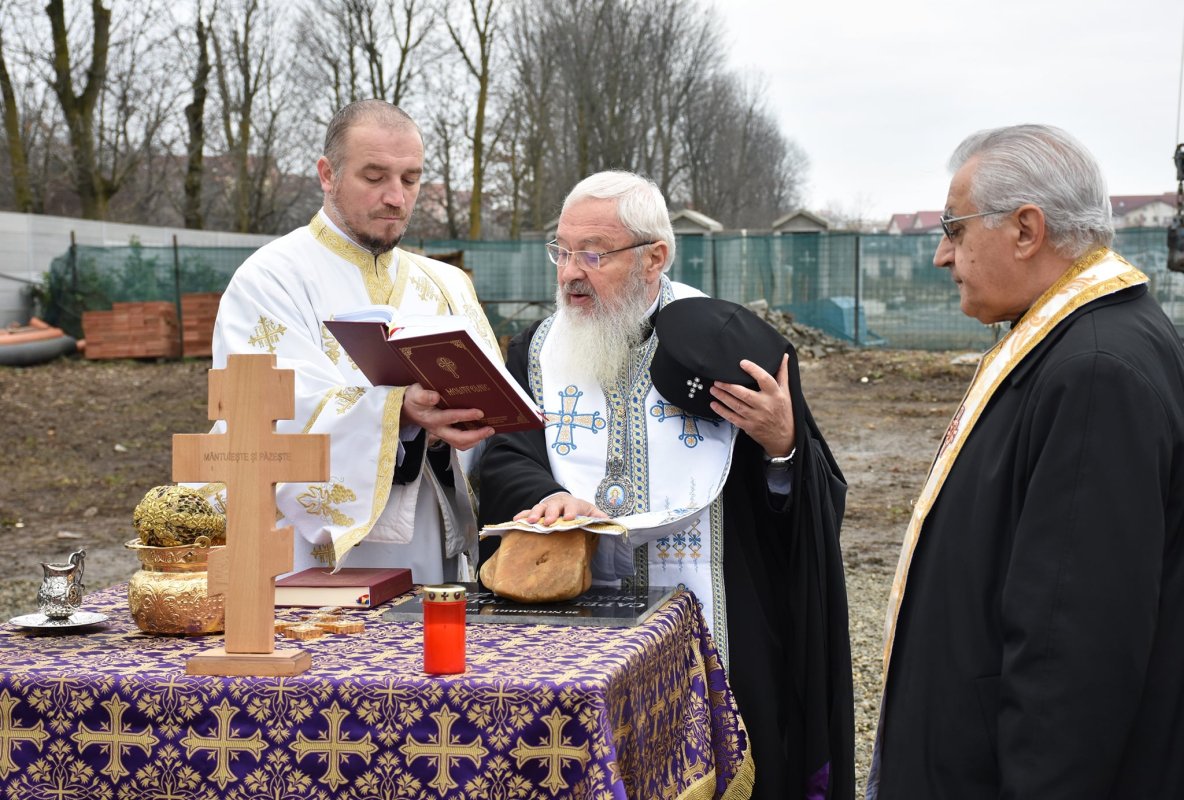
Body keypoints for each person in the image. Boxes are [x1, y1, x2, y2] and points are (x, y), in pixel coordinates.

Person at [477, 170, 854, 800]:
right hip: (579, 633)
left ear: (655, 257)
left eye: (593, 254)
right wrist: (545, 496)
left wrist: (780, 445)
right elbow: (508, 457)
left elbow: (803, 498)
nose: (570, 272)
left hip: (721, 622)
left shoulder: (732, 346)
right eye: (562, 251)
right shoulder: (536, 352)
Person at [867, 124, 1184, 799]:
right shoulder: (1069, 342)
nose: (940, 256)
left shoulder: (1097, 372)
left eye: (954, 229)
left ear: (1026, 229)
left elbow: (1073, 655)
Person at [206, 100, 497, 583]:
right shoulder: (272, 278)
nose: (395, 198)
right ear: (327, 173)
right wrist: (398, 412)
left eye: (410, 179)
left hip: (430, 537)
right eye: (374, 176)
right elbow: (270, 419)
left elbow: (492, 417)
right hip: (309, 554)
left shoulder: (448, 283)